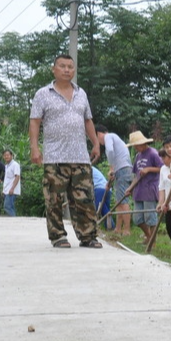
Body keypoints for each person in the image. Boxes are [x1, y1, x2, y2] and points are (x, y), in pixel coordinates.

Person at [28, 53, 102, 248]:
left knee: (84, 198)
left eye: (70, 66)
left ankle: (88, 236)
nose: (67, 70)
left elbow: (88, 120)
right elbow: (35, 122)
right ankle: (58, 236)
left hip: (80, 156)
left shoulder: (81, 93)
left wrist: (95, 143)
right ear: (54, 69)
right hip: (55, 156)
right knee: (54, 199)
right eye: (62, 66)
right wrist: (34, 148)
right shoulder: (43, 94)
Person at [123, 130, 163, 246]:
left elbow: (163, 168)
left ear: (141, 143)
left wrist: (149, 169)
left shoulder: (153, 153)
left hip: (150, 189)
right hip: (139, 190)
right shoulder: (138, 156)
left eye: (136, 146)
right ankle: (149, 237)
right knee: (137, 218)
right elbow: (137, 175)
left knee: (150, 217)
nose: (135, 148)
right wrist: (130, 188)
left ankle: (152, 241)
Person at [96, 124, 132, 233]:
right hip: (121, 170)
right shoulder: (114, 137)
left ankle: (126, 230)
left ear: (98, 134)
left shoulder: (109, 136)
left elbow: (110, 151)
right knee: (118, 201)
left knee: (123, 200)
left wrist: (111, 167)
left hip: (122, 169)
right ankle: (117, 228)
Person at [1, 149, 21, 217]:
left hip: (12, 190)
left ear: (11, 156)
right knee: (10, 206)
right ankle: (13, 220)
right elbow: (7, 179)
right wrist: (4, 190)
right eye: (5, 155)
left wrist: (12, 188)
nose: (6, 157)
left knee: (7, 206)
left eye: (8, 155)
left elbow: (17, 177)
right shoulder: (6, 166)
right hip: (7, 190)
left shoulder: (15, 165)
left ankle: (14, 219)